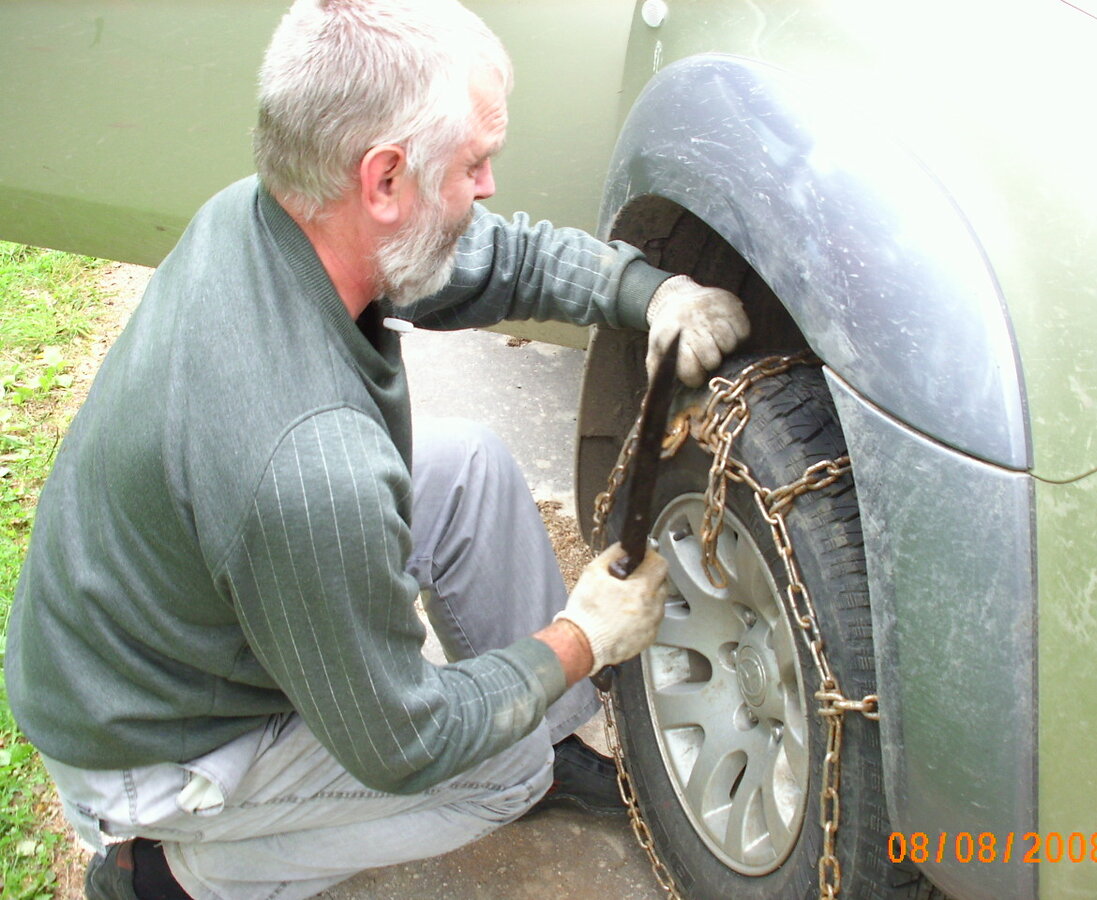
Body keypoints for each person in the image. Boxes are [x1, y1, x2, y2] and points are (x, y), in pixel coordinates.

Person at [3, 2, 750, 898]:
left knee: (467, 466)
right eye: (473, 164)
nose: (489, 187)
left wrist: (647, 290)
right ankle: (167, 869)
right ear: (385, 178)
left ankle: (553, 736)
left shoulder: (276, 218)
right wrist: (582, 639)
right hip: (153, 741)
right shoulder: (310, 468)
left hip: (184, 611)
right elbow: (403, 740)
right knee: (498, 774)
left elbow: (489, 258)